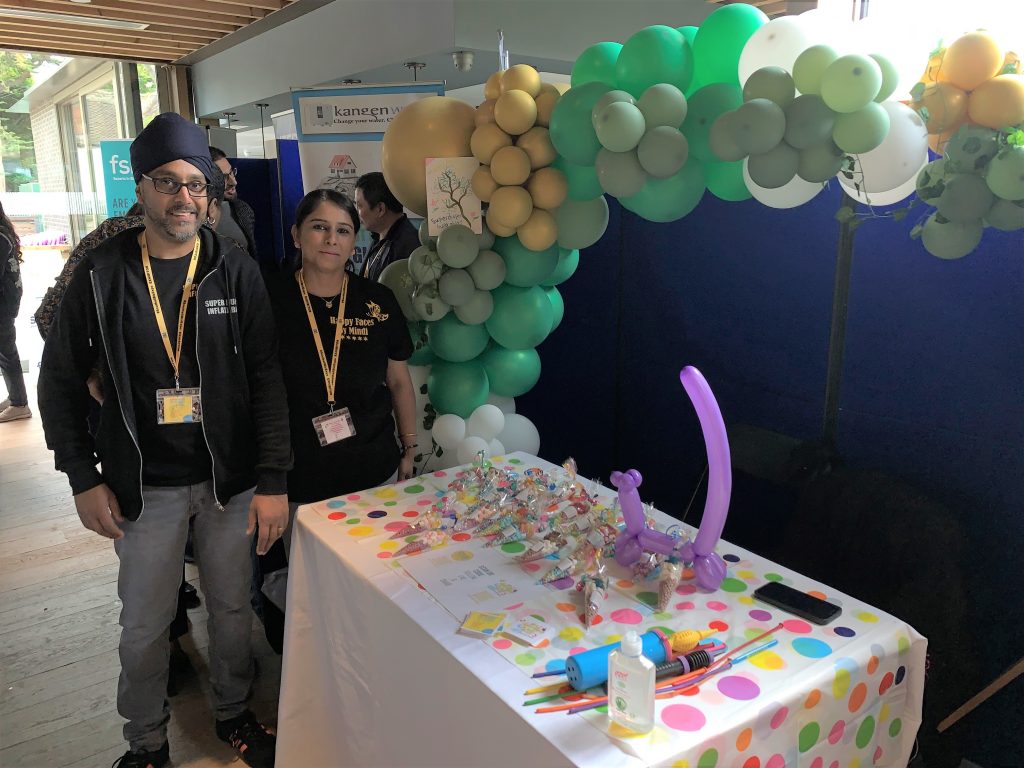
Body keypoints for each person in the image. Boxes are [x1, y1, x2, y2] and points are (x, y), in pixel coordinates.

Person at [37, 112, 290, 768]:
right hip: (142, 487)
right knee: (144, 628)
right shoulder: (102, 273)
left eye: (196, 185)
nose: (185, 197)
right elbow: (59, 380)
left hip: (228, 483)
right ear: (142, 189)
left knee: (233, 613)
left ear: (209, 194)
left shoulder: (234, 271)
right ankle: (146, 744)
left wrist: (272, 482)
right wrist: (82, 476)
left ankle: (235, 713)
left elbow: (266, 381)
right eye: (168, 184)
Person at [353, 172, 419, 282]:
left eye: (359, 206)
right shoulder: (379, 237)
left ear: (380, 209)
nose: (356, 212)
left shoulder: (407, 248)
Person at [0, 202, 30, 422]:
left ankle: (19, 403)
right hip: (6, 303)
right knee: (6, 352)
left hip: (3, 305)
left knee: (7, 353)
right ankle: (16, 399)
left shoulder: (0, 238)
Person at [209, 147, 257, 259]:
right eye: (224, 178)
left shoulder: (243, 210)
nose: (234, 182)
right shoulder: (192, 219)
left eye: (232, 173)